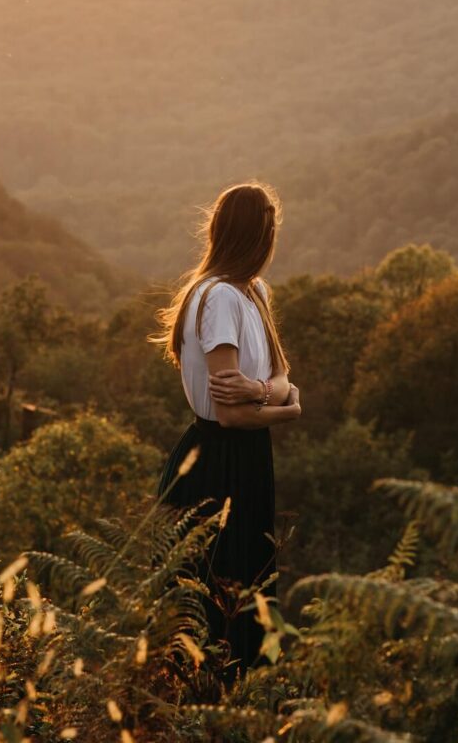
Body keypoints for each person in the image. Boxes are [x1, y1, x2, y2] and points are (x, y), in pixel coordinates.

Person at [148, 180, 302, 679]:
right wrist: (286, 408)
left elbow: (279, 375)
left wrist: (263, 392)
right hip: (219, 462)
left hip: (250, 458)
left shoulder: (254, 292)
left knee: (250, 591)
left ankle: (245, 709)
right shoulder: (219, 300)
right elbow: (235, 412)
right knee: (216, 607)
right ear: (262, 235)